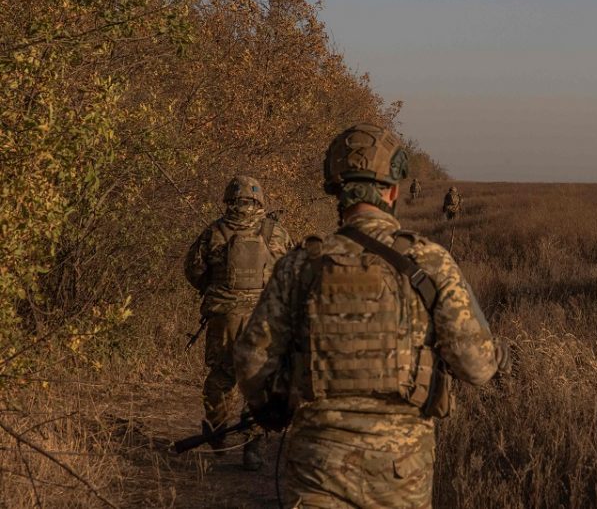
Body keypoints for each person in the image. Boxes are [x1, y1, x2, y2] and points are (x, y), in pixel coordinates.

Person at [234, 123, 510, 508]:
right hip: (400, 469)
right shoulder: (430, 262)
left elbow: (251, 359)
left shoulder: (299, 265)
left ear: (336, 191)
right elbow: (477, 367)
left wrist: (274, 409)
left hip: (317, 464)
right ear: (394, 190)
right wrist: (499, 354)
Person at [183, 175, 292, 470]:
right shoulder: (276, 233)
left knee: (221, 376)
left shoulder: (214, 231)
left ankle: (217, 431)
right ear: (260, 201)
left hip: (225, 318)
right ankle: (252, 446)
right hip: (265, 320)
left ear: (228, 199)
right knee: (260, 381)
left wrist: (214, 288)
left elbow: (192, 270)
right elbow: (290, 274)